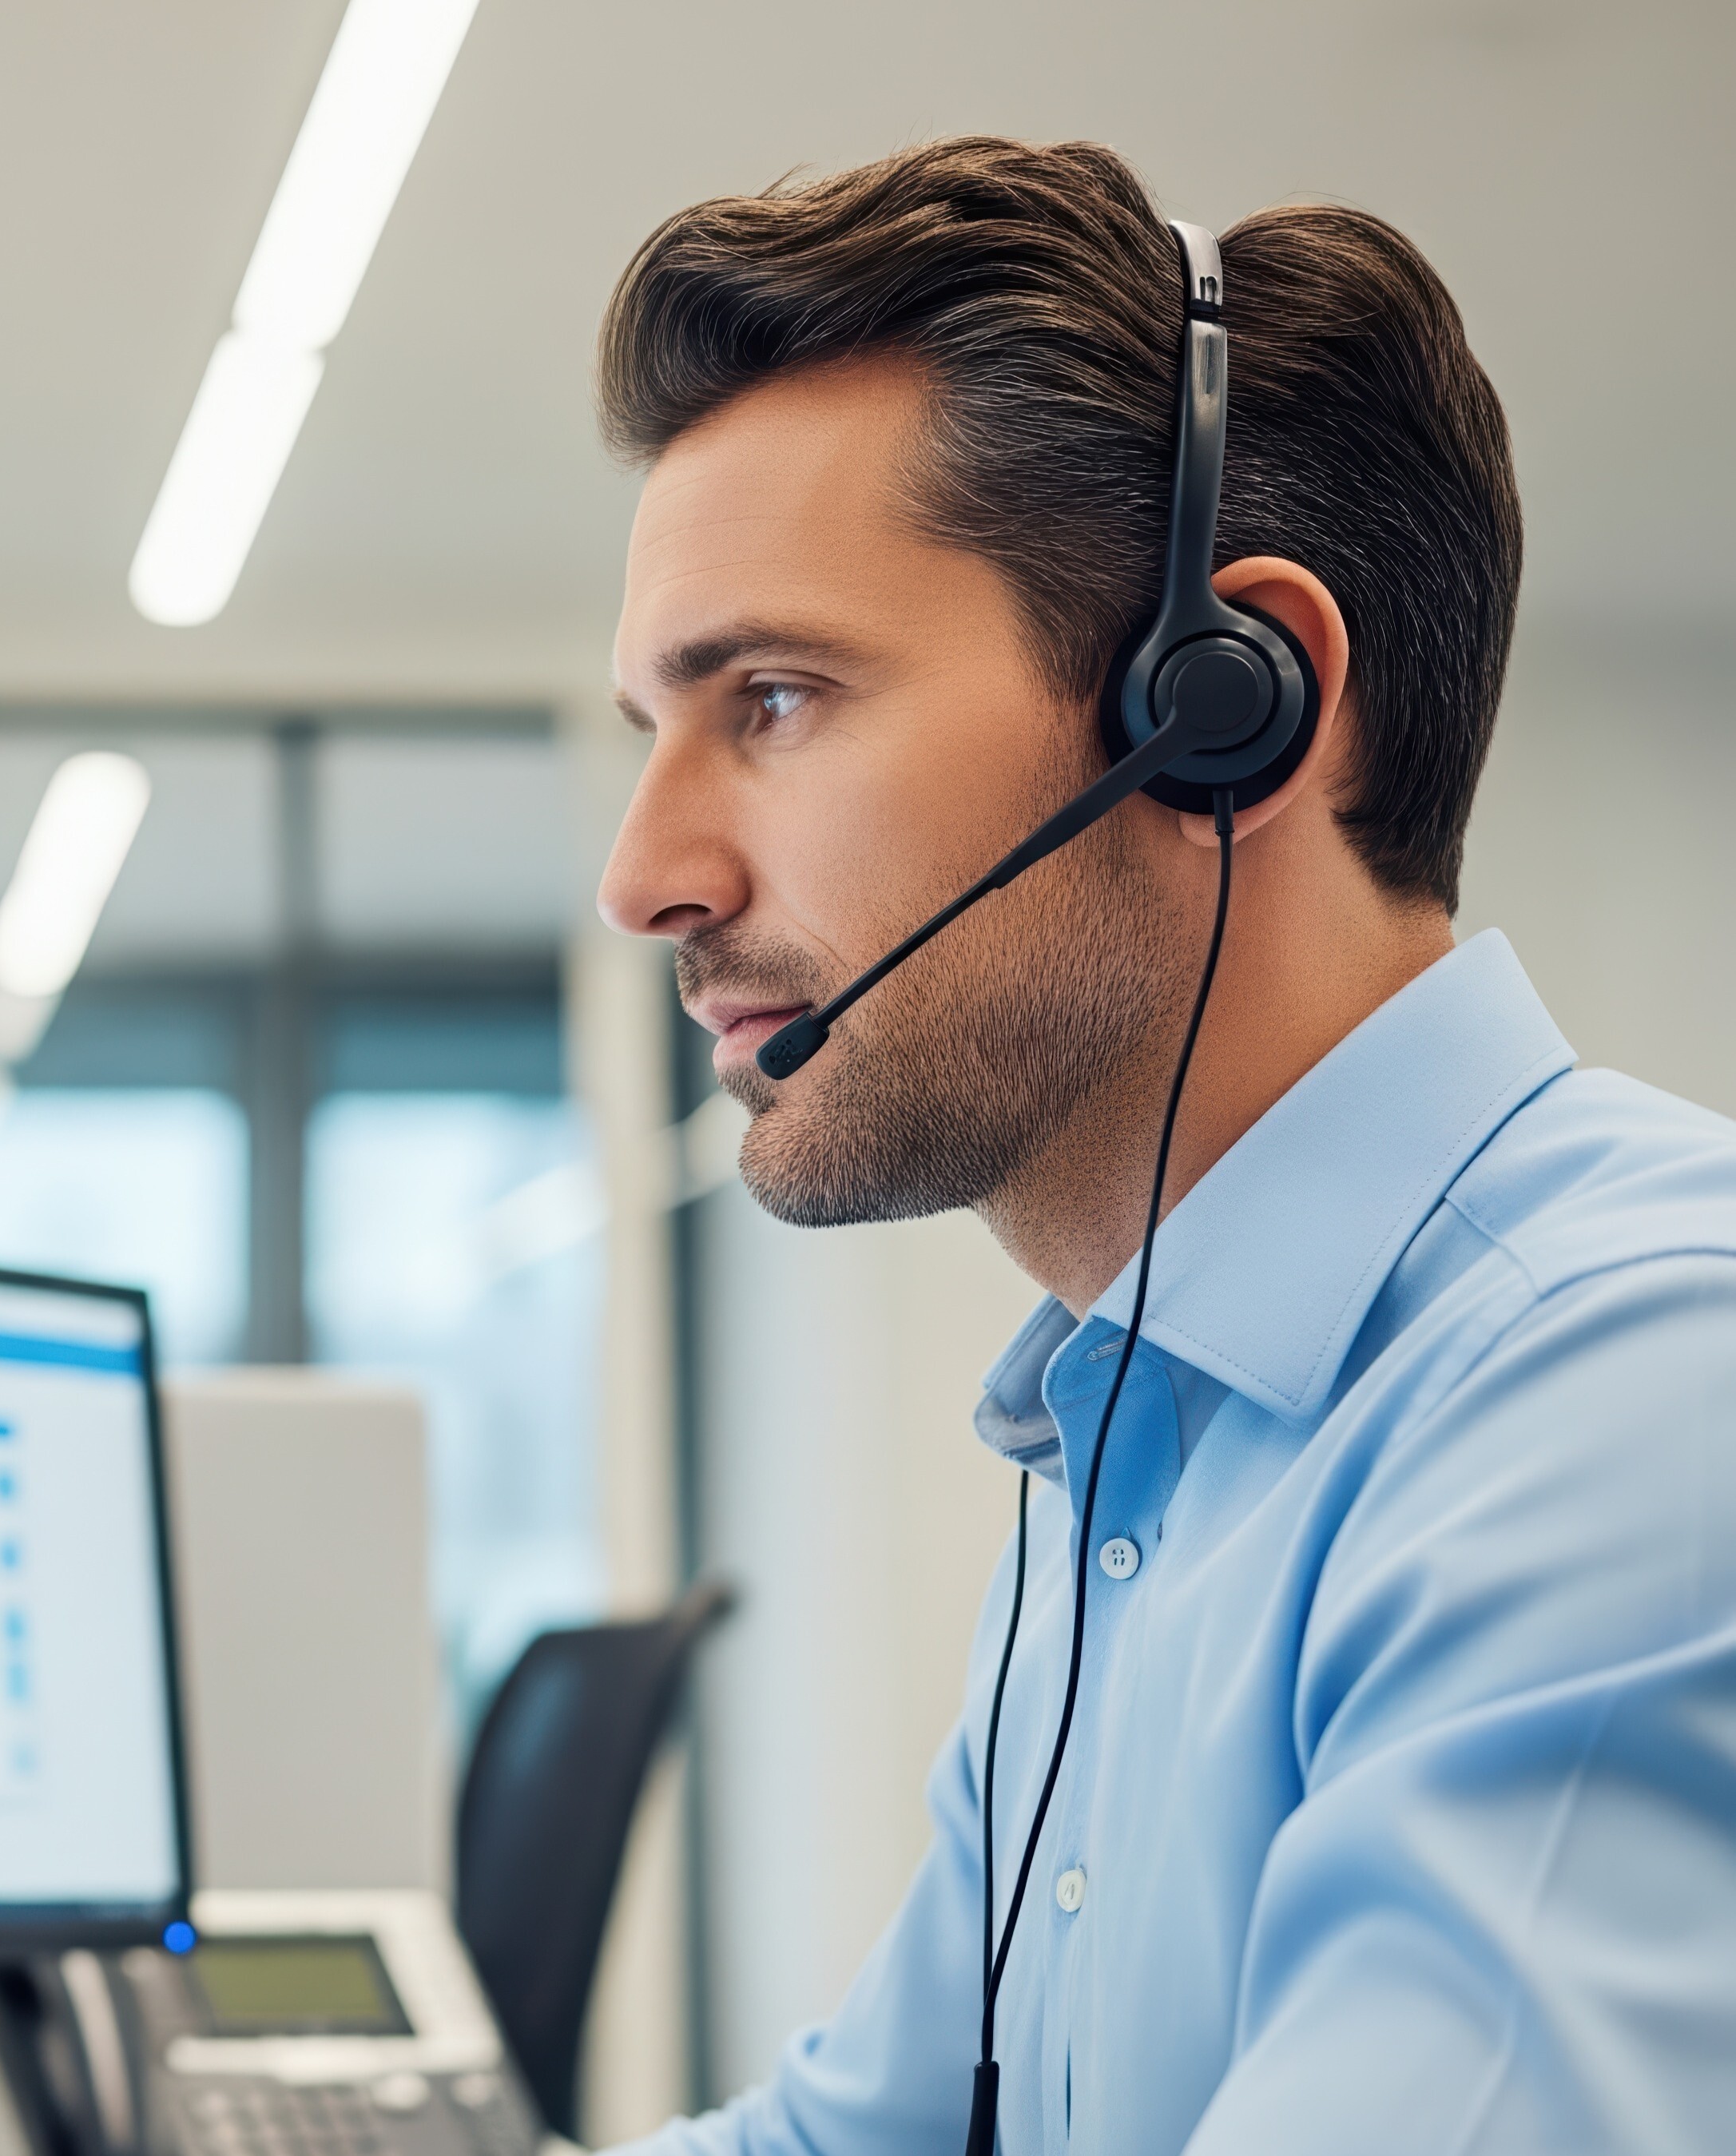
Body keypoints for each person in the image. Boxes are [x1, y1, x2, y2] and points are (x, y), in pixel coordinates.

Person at [588, 137, 1736, 2154]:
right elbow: (848, 2143)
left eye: (770, 699)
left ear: (1226, 710)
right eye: (651, 735)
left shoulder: (1628, 1392)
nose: (645, 879)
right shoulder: (1125, 1437)